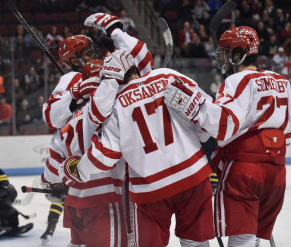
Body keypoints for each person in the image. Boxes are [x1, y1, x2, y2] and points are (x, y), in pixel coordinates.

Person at [59, 51, 215, 247]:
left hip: (150, 188)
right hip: (193, 176)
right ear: (134, 67)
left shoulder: (114, 105)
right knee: (196, 242)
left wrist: (78, 169)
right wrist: (200, 137)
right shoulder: (166, 75)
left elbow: (105, 155)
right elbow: (206, 114)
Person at [164, 26, 291, 246]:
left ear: (239, 54)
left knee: (242, 236)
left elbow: (222, 125)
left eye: (226, 52)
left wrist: (192, 105)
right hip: (277, 172)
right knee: (253, 236)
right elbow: (288, 132)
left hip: (245, 170)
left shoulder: (237, 81)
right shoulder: (281, 81)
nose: (222, 58)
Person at [42, 59, 128, 246]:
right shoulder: (107, 113)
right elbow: (109, 151)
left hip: (75, 201)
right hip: (103, 199)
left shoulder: (68, 121)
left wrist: (50, 183)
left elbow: (54, 161)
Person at [43, 12, 153, 130]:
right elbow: (50, 118)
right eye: (88, 53)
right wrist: (76, 94)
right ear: (75, 62)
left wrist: (115, 31)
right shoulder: (73, 78)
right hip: (97, 141)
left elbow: (143, 61)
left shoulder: (107, 69)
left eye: (93, 51)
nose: (94, 56)